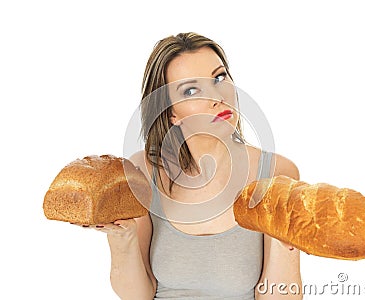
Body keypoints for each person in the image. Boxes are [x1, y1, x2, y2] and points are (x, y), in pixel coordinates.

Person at [91, 32, 302, 299]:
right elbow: (138, 295)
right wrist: (122, 238)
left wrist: (288, 245)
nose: (218, 96)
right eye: (191, 90)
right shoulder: (143, 171)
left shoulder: (276, 173)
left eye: (219, 78)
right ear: (171, 114)